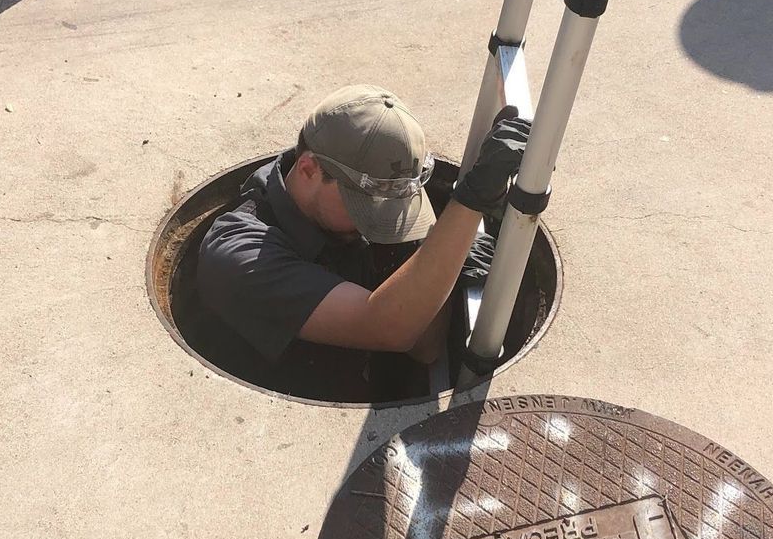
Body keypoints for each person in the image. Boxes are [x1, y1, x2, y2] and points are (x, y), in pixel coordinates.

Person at [197, 85, 530, 390]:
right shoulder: (238, 254)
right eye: (365, 206)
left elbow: (425, 346)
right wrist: (470, 204)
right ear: (309, 169)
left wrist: (448, 251)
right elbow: (392, 328)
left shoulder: (355, 202)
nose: (377, 224)